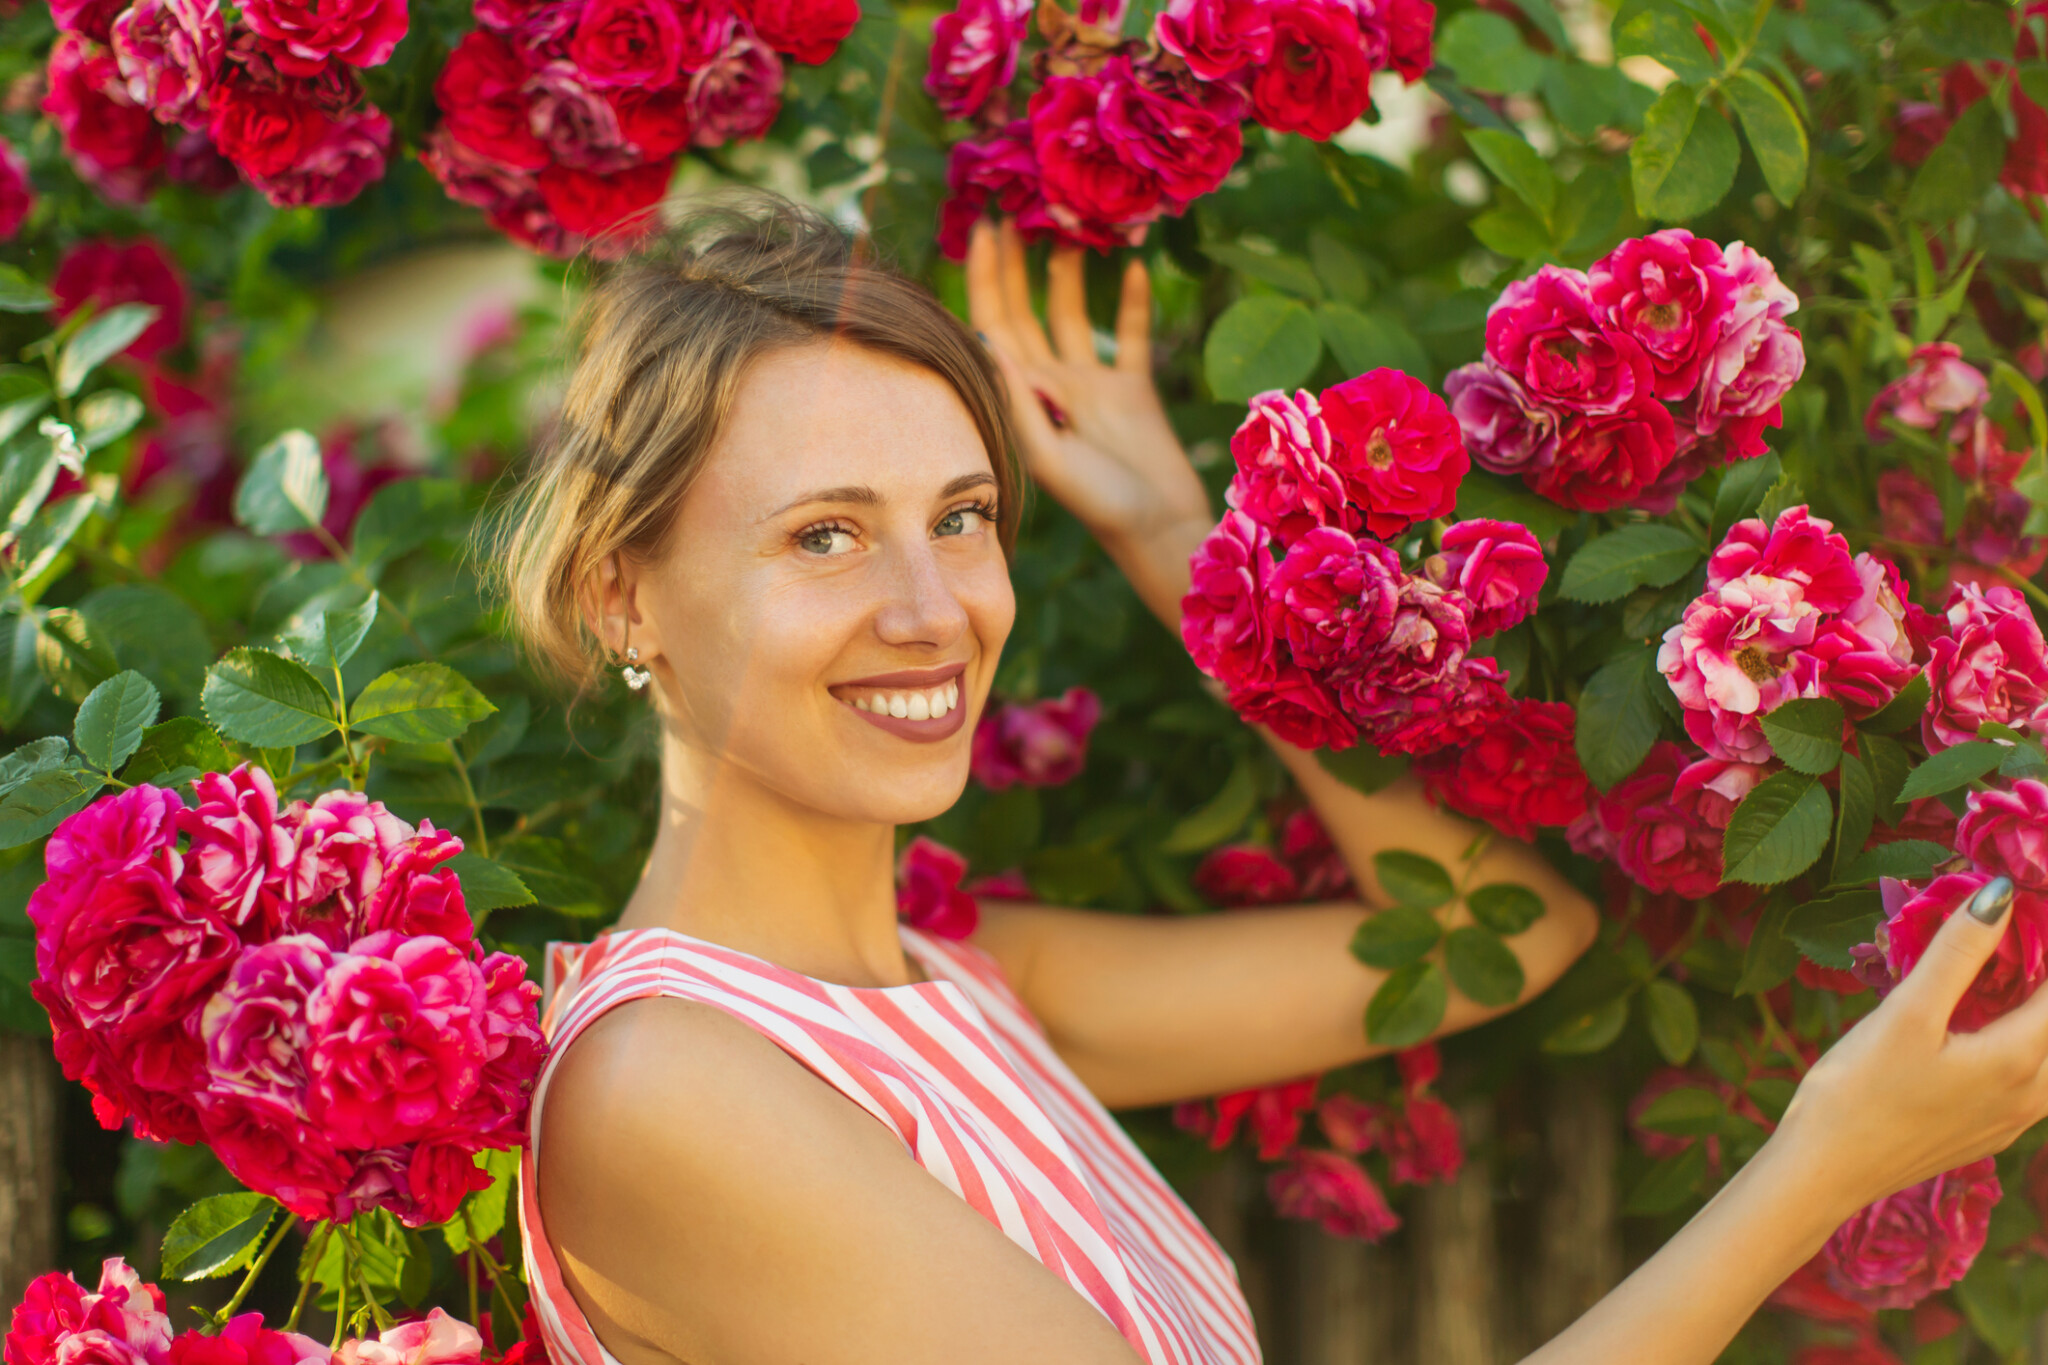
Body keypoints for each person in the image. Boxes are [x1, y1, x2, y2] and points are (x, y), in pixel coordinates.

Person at [499, 195, 2048, 1365]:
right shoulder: (670, 1087)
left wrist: (1175, 535)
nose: (932, 606)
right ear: (621, 592)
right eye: (822, 534)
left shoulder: (971, 983)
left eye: (961, 515)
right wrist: (1827, 1162)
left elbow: (1498, 927)